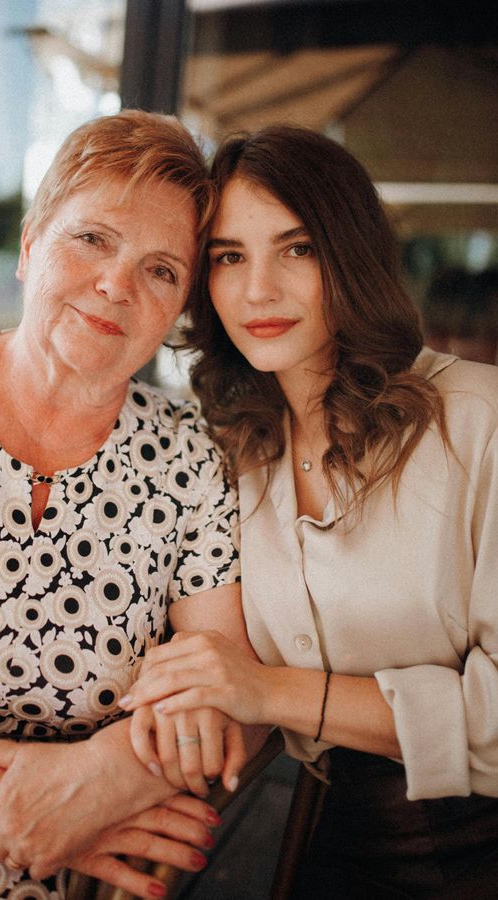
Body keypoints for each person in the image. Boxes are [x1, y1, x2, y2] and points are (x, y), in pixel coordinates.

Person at [120, 125, 498, 898]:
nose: (258, 290)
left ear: (350, 255)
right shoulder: (229, 452)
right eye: (229, 257)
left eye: (297, 249)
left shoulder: (480, 421)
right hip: (330, 845)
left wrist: (269, 691)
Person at [0, 110, 260, 900]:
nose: (116, 284)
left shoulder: (192, 460)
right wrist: (18, 806)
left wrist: (109, 775)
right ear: (31, 244)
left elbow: (225, 691)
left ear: (179, 311)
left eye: (162, 270)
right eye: (91, 238)